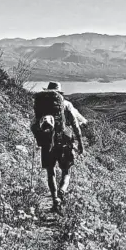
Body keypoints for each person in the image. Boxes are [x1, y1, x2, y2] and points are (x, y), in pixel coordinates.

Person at [34, 82, 85, 212]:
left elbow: (35, 124)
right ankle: (62, 191)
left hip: (47, 143)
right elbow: (76, 126)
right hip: (64, 142)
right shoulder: (66, 105)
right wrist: (80, 143)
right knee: (66, 172)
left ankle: (55, 198)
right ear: (59, 93)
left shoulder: (41, 106)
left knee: (50, 172)